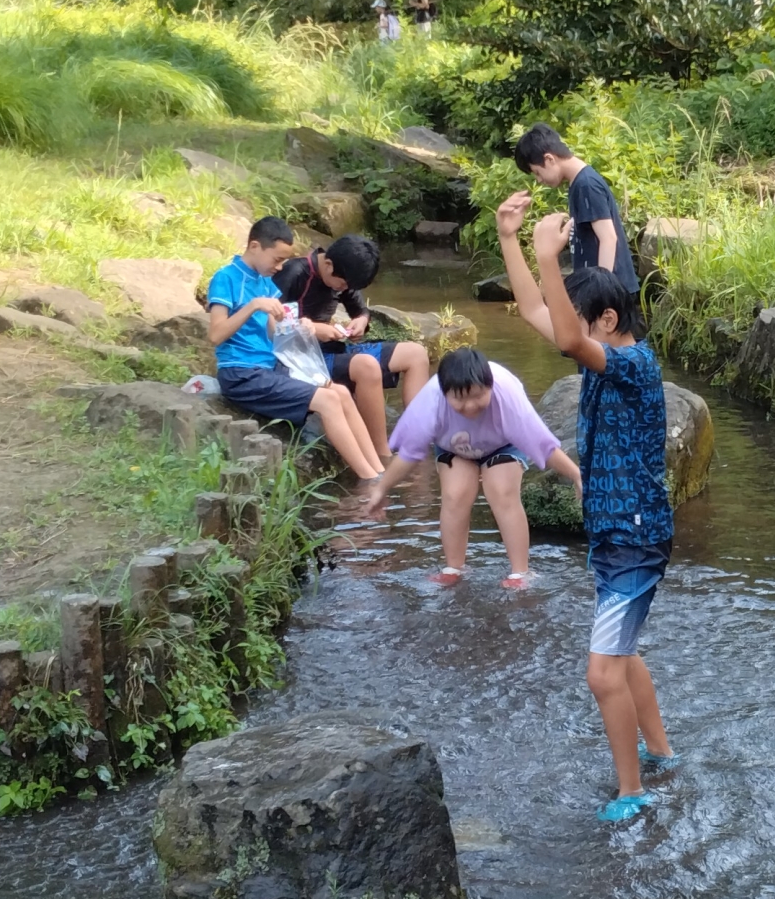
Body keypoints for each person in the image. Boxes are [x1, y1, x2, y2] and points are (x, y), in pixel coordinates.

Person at [499, 195, 677, 820]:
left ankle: (632, 793)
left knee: (603, 675)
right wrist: (511, 239)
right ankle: (660, 753)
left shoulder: (631, 364)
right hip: (615, 530)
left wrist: (550, 253)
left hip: (634, 534)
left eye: (577, 319)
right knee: (623, 659)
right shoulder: (606, 350)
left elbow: (569, 339)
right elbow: (531, 309)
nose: (565, 330)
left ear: (605, 318)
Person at [377, 347, 583, 586]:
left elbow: (541, 445)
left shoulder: (506, 394)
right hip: (454, 448)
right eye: (459, 399)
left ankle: (520, 573)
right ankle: (454, 567)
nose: (470, 406)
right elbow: (409, 453)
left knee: (502, 492)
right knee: (455, 495)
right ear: (445, 393)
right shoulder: (431, 399)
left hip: (502, 445)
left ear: (489, 386)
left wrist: (576, 475)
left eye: (477, 395)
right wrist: (381, 488)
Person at [201, 216, 386, 480]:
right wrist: (254, 306)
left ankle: (379, 470)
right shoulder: (226, 278)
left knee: (341, 392)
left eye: (284, 261)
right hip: (241, 373)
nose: (281, 267)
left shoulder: (265, 282)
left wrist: (300, 328)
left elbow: (274, 335)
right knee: (329, 400)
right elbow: (216, 335)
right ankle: (370, 481)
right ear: (255, 246)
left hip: (271, 367)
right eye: (277, 259)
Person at [278, 232, 430, 457]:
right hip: (305, 360)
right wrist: (315, 330)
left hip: (336, 349)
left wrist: (361, 321)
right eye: (343, 285)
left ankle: (417, 442)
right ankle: (382, 453)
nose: (344, 289)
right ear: (328, 265)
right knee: (366, 366)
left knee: (416, 354)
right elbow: (269, 323)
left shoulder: (342, 275)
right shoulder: (294, 274)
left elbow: (360, 310)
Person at [508, 125, 623, 276]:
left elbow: (608, 238)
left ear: (549, 159)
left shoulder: (586, 184)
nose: (539, 180)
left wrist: (602, 290)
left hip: (609, 291)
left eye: (537, 172)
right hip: (594, 286)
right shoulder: (578, 182)